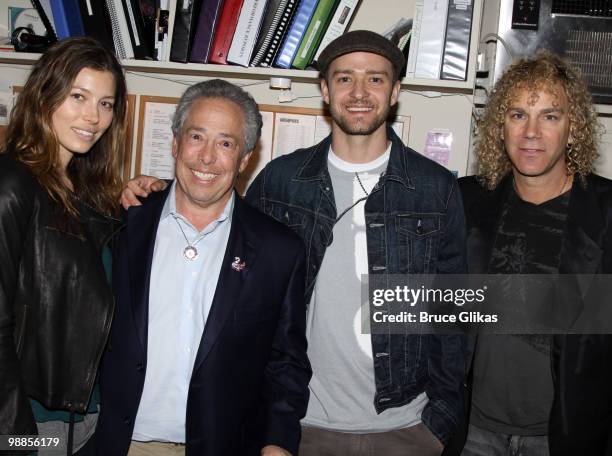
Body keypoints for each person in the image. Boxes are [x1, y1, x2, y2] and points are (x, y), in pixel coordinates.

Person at [122, 30, 468, 455]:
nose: (359, 92)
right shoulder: (280, 182)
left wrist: (438, 423)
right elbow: (217, 241)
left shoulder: (436, 189)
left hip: (406, 429)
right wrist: (155, 193)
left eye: (375, 79)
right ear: (324, 89)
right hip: (300, 428)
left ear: (395, 91)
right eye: (344, 78)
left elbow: (456, 316)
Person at [95, 79, 311, 456]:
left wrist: (278, 443)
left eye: (226, 143)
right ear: (176, 143)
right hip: (117, 442)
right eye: (196, 137)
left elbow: (286, 363)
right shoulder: (120, 223)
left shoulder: (279, 251)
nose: (207, 157)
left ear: (244, 159)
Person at [457, 52, 612, 455]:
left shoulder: (607, 212)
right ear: (500, 127)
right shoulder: (464, 201)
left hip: (566, 437)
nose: (531, 132)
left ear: (572, 129)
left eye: (550, 116)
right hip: (471, 432)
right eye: (518, 114)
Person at [0, 37, 128, 455]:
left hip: (82, 422)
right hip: (31, 424)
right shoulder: (12, 185)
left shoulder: (87, 195)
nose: (93, 116)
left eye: (106, 104)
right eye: (78, 96)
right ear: (44, 96)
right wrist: (16, 440)